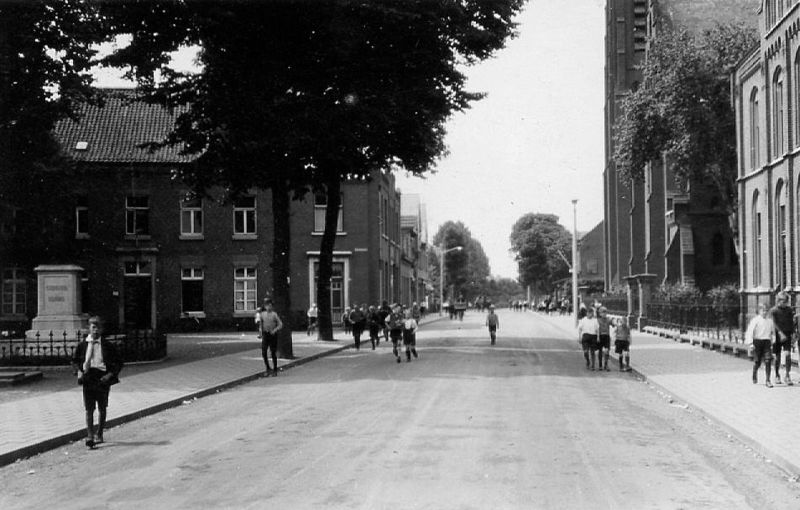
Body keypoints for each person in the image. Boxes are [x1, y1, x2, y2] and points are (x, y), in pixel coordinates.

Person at [72, 316, 123, 448]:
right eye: (93, 327)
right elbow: (75, 361)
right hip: (88, 377)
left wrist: (109, 375)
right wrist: (79, 372)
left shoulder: (108, 346)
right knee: (89, 408)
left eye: (98, 328)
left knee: (102, 407)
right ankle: (90, 435)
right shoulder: (83, 345)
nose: (96, 330)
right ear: (89, 328)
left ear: (102, 329)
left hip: (102, 377)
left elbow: (118, 362)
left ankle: (99, 433)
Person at [746, 303, 775, 387]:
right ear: (759, 311)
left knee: (768, 360)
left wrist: (773, 341)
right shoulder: (755, 320)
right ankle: (754, 372)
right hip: (757, 342)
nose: (765, 312)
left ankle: (768, 380)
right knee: (757, 362)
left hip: (767, 342)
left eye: (766, 311)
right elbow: (750, 332)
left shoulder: (770, 321)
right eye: (763, 310)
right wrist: (750, 343)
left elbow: (773, 332)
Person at [770, 291, 794, 385]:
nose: (784, 303)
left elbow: (791, 322)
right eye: (782, 301)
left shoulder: (789, 310)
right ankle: (777, 375)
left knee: (788, 355)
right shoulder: (774, 310)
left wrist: (793, 333)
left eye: (786, 301)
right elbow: (773, 323)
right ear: (778, 301)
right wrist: (780, 332)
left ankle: (787, 375)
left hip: (787, 334)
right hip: (777, 335)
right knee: (777, 356)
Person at [255, 298, 283, 377]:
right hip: (265, 334)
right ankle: (268, 368)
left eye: (270, 305)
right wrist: (260, 333)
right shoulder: (262, 314)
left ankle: (275, 369)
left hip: (272, 334)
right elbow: (261, 325)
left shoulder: (274, 314)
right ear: (265, 306)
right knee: (264, 352)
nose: (269, 307)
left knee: (273, 352)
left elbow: (280, 324)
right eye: (267, 305)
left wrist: (274, 330)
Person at [596, 307, 612, 371]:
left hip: (607, 336)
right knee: (600, 351)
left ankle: (606, 364)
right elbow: (596, 329)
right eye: (603, 312)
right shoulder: (598, 320)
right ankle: (600, 365)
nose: (604, 314)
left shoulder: (608, 319)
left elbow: (613, 323)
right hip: (600, 336)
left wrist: (617, 322)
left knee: (607, 350)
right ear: (600, 313)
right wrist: (597, 337)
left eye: (605, 312)